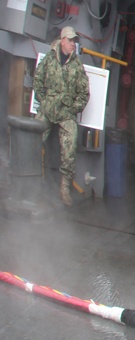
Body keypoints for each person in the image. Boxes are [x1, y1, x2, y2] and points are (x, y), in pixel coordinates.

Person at [33, 25, 89, 207]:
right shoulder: (49, 59)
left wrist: (73, 108)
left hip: (66, 113)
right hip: (48, 110)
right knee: (33, 140)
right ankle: (33, 183)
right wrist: (45, 101)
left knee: (70, 149)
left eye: (74, 41)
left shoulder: (77, 65)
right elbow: (38, 80)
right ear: (62, 40)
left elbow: (84, 93)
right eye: (70, 40)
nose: (73, 44)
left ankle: (64, 188)